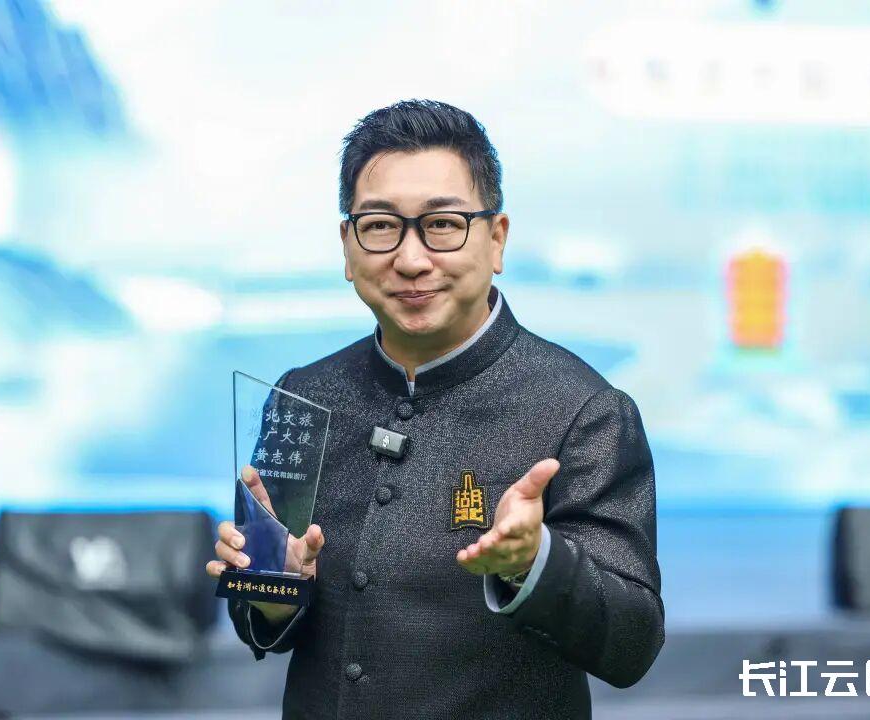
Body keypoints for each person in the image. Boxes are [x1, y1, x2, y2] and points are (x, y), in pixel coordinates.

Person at [205, 99, 664, 719]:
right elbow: (262, 625)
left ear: (496, 239)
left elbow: (633, 645)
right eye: (380, 226)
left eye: (443, 224)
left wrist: (534, 564)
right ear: (348, 247)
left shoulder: (585, 409)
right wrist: (273, 587)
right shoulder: (303, 395)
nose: (412, 259)